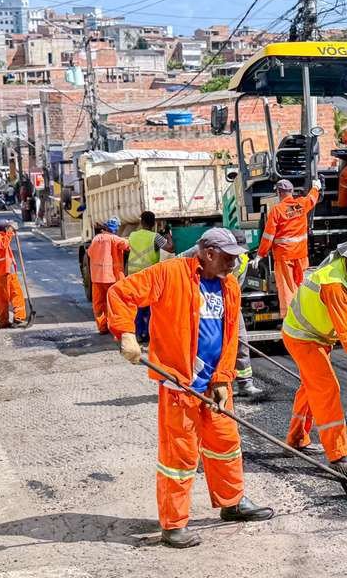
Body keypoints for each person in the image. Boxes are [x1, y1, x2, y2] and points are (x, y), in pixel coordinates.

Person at [107, 228, 274, 548]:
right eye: (228, 257)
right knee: (179, 457)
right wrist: (126, 333)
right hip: (179, 384)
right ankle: (173, 525)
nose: (234, 263)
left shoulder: (229, 285)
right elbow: (121, 293)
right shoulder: (170, 274)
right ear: (208, 253)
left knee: (226, 444)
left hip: (214, 384)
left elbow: (229, 338)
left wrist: (223, 379)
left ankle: (232, 502)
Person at [282, 230, 347, 472]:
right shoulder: (334, 284)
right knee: (327, 388)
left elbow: (342, 304)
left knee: (311, 386)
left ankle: (296, 438)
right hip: (303, 338)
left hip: (314, 335)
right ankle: (339, 455)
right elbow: (345, 335)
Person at [178, 233, 263, 399]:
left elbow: (236, 287)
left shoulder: (243, 261)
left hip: (228, 303)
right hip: (201, 299)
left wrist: (229, 305)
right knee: (203, 342)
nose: (235, 259)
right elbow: (179, 265)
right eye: (230, 254)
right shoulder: (197, 251)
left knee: (240, 340)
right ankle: (201, 382)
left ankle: (245, 383)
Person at [254, 178, 321, 318]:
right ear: (291, 191)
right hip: (301, 255)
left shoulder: (277, 211)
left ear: (279, 192)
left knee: (287, 289)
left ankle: (290, 320)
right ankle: (305, 316)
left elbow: (268, 236)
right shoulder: (301, 204)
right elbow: (312, 198)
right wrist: (316, 187)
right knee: (302, 286)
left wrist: (260, 254)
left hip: (284, 257)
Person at [127, 211, 175, 343]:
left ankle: (137, 333)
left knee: (137, 305)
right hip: (148, 275)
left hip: (133, 275)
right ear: (153, 223)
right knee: (149, 305)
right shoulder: (155, 237)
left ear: (141, 222)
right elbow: (170, 248)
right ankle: (146, 333)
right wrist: (168, 236)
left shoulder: (133, 235)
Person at [87, 217, 130, 334]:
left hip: (96, 278)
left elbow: (89, 253)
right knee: (115, 302)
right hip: (112, 278)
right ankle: (117, 327)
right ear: (116, 229)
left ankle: (102, 327)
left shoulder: (96, 239)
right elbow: (128, 246)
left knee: (99, 304)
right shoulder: (115, 239)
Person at [0, 220, 27, 328]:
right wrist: (11, 231)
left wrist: (12, 230)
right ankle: (15, 319)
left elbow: (7, 240)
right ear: (5, 228)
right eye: (8, 228)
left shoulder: (1, 236)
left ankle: (6, 321)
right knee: (13, 295)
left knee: (6, 297)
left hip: (4, 272)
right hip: (4, 273)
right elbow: (4, 244)